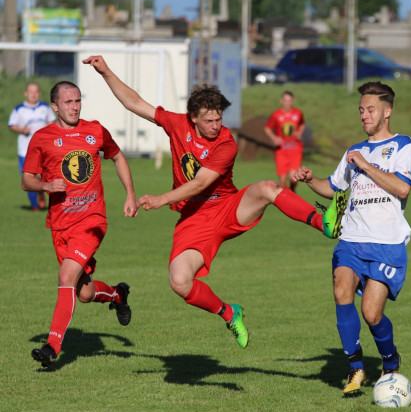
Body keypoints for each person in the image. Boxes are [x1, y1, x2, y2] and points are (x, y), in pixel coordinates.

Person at [83, 55, 346, 350]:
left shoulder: (226, 143)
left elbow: (200, 183)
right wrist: (105, 72)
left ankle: (322, 222)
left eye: (219, 118)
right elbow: (134, 102)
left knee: (268, 188)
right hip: (193, 219)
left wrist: (161, 199)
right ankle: (229, 312)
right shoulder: (176, 123)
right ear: (193, 117)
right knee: (179, 281)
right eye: (209, 120)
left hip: (227, 205)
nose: (216, 125)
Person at [292, 81, 411, 395]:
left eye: (370, 109)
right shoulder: (353, 151)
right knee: (341, 288)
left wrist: (365, 165)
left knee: (372, 314)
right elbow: (333, 188)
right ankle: (356, 368)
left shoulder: (404, 145)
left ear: (387, 112)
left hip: (387, 244)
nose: (364, 115)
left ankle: (390, 361)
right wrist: (311, 181)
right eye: (361, 109)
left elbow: (402, 189)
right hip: (351, 239)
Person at [23, 81, 138, 367]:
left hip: (92, 220)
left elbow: (117, 156)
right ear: (54, 106)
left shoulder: (95, 130)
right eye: (68, 102)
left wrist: (130, 194)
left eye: (77, 101)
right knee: (84, 292)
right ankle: (117, 293)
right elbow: (27, 180)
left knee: (65, 277)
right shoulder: (42, 137)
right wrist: (47, 185)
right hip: (60, 226)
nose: (74, 107)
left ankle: (52, 346)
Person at [8, 82, 57, 211]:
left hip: (43, 150)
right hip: (25, 150)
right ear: (26, 93)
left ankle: (40, 192)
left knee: (41, 175)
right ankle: (34, 206)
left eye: (36, 92)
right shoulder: (19, 109)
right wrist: (21, 129)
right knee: (27, 177)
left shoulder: (45, 107)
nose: (34, 95)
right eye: (31, 92)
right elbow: (11, 124)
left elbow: (52, 123)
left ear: (39, 93)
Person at [264, 91, 306, 191]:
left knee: (293, 178)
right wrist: (274, 138)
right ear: (281, 101)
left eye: (289, 100)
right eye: (285, 100)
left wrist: (299, 132)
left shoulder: (298, 113)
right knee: (282, 181)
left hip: (295, 149)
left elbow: (302, 124)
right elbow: (267, 128)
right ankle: (287, 200)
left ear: (292, 101)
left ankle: (292, 189)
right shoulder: (276, 115)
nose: (287, 103)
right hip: (281, 151)